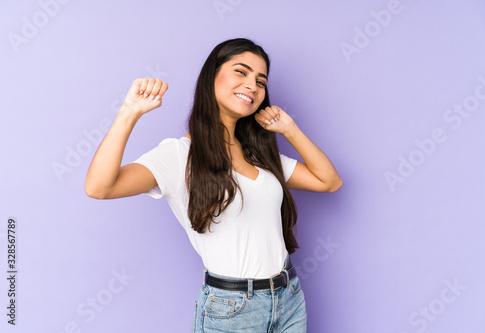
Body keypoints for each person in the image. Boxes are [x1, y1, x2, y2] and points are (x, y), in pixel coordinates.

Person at [85, 38, 342, 332]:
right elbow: (99, 187)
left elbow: (329, 181)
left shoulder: (260, 155)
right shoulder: (180, 156)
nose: (253, 86)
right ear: (212, 76)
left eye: (261, 81)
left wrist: (289, 129)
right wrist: (129, 112)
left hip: (289, 296)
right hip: (233, 309)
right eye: (241, 72)